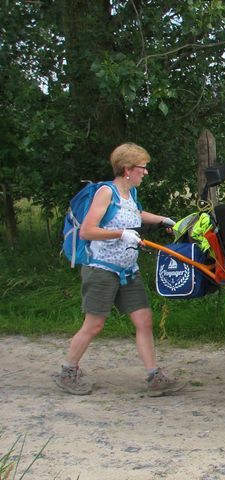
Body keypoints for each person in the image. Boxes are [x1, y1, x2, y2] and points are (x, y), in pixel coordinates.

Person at [54, 143, 186, 397]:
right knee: (94, 324)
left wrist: (164, 219)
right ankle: (68, 372)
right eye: (142, 168)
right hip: (101, 269)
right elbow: (87, 231)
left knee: (144, 320)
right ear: (127, 169)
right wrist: (120, 233)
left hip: (128, 269)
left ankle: (154, 377)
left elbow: (136, 213)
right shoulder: (106, 192)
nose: (145, 172)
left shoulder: (130, 193)